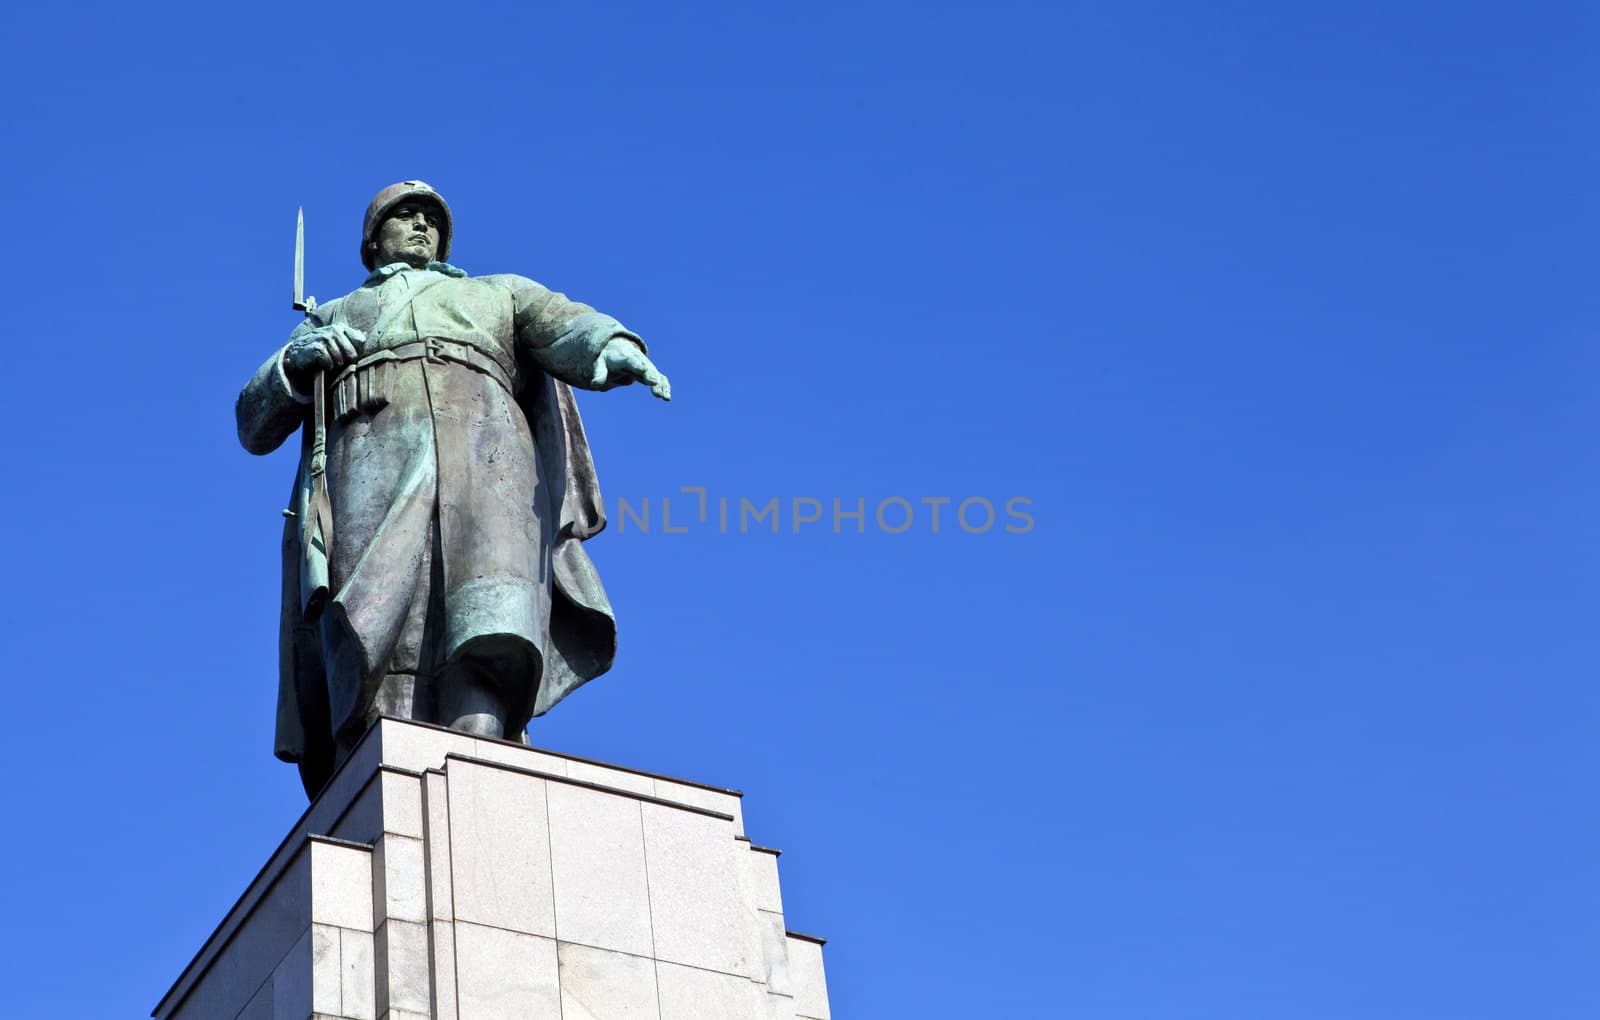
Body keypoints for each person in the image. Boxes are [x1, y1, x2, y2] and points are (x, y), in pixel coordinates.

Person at [236, 180, 670, 796]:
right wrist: (294, 365)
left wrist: (615, 346)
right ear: (372, 239)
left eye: (430, 219)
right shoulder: (331, 314)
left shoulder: (495, 293)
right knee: (373, 618)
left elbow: (565, 322)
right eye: (403, 216)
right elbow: (253, 424)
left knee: (490, 609)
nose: (420, 226)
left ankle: (482, 760)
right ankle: (374, 770)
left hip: (489, 461)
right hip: (372, 459)